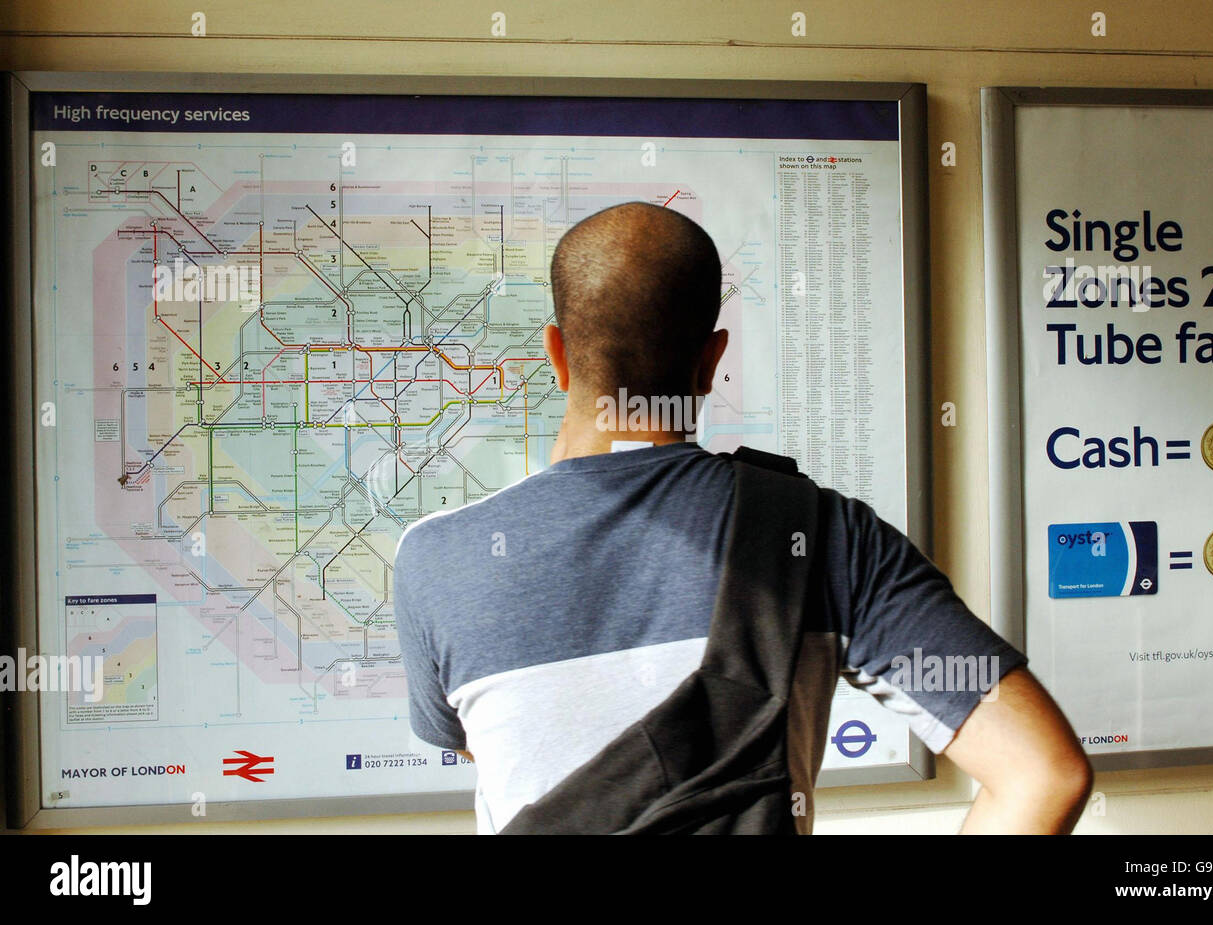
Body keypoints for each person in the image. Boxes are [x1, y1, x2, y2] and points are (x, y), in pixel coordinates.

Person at [393, 201, 1093, 834]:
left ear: (556, 354)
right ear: (711, 359)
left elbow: (482, 748)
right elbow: (1043, 772)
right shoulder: (826, 536)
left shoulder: (436, 560)